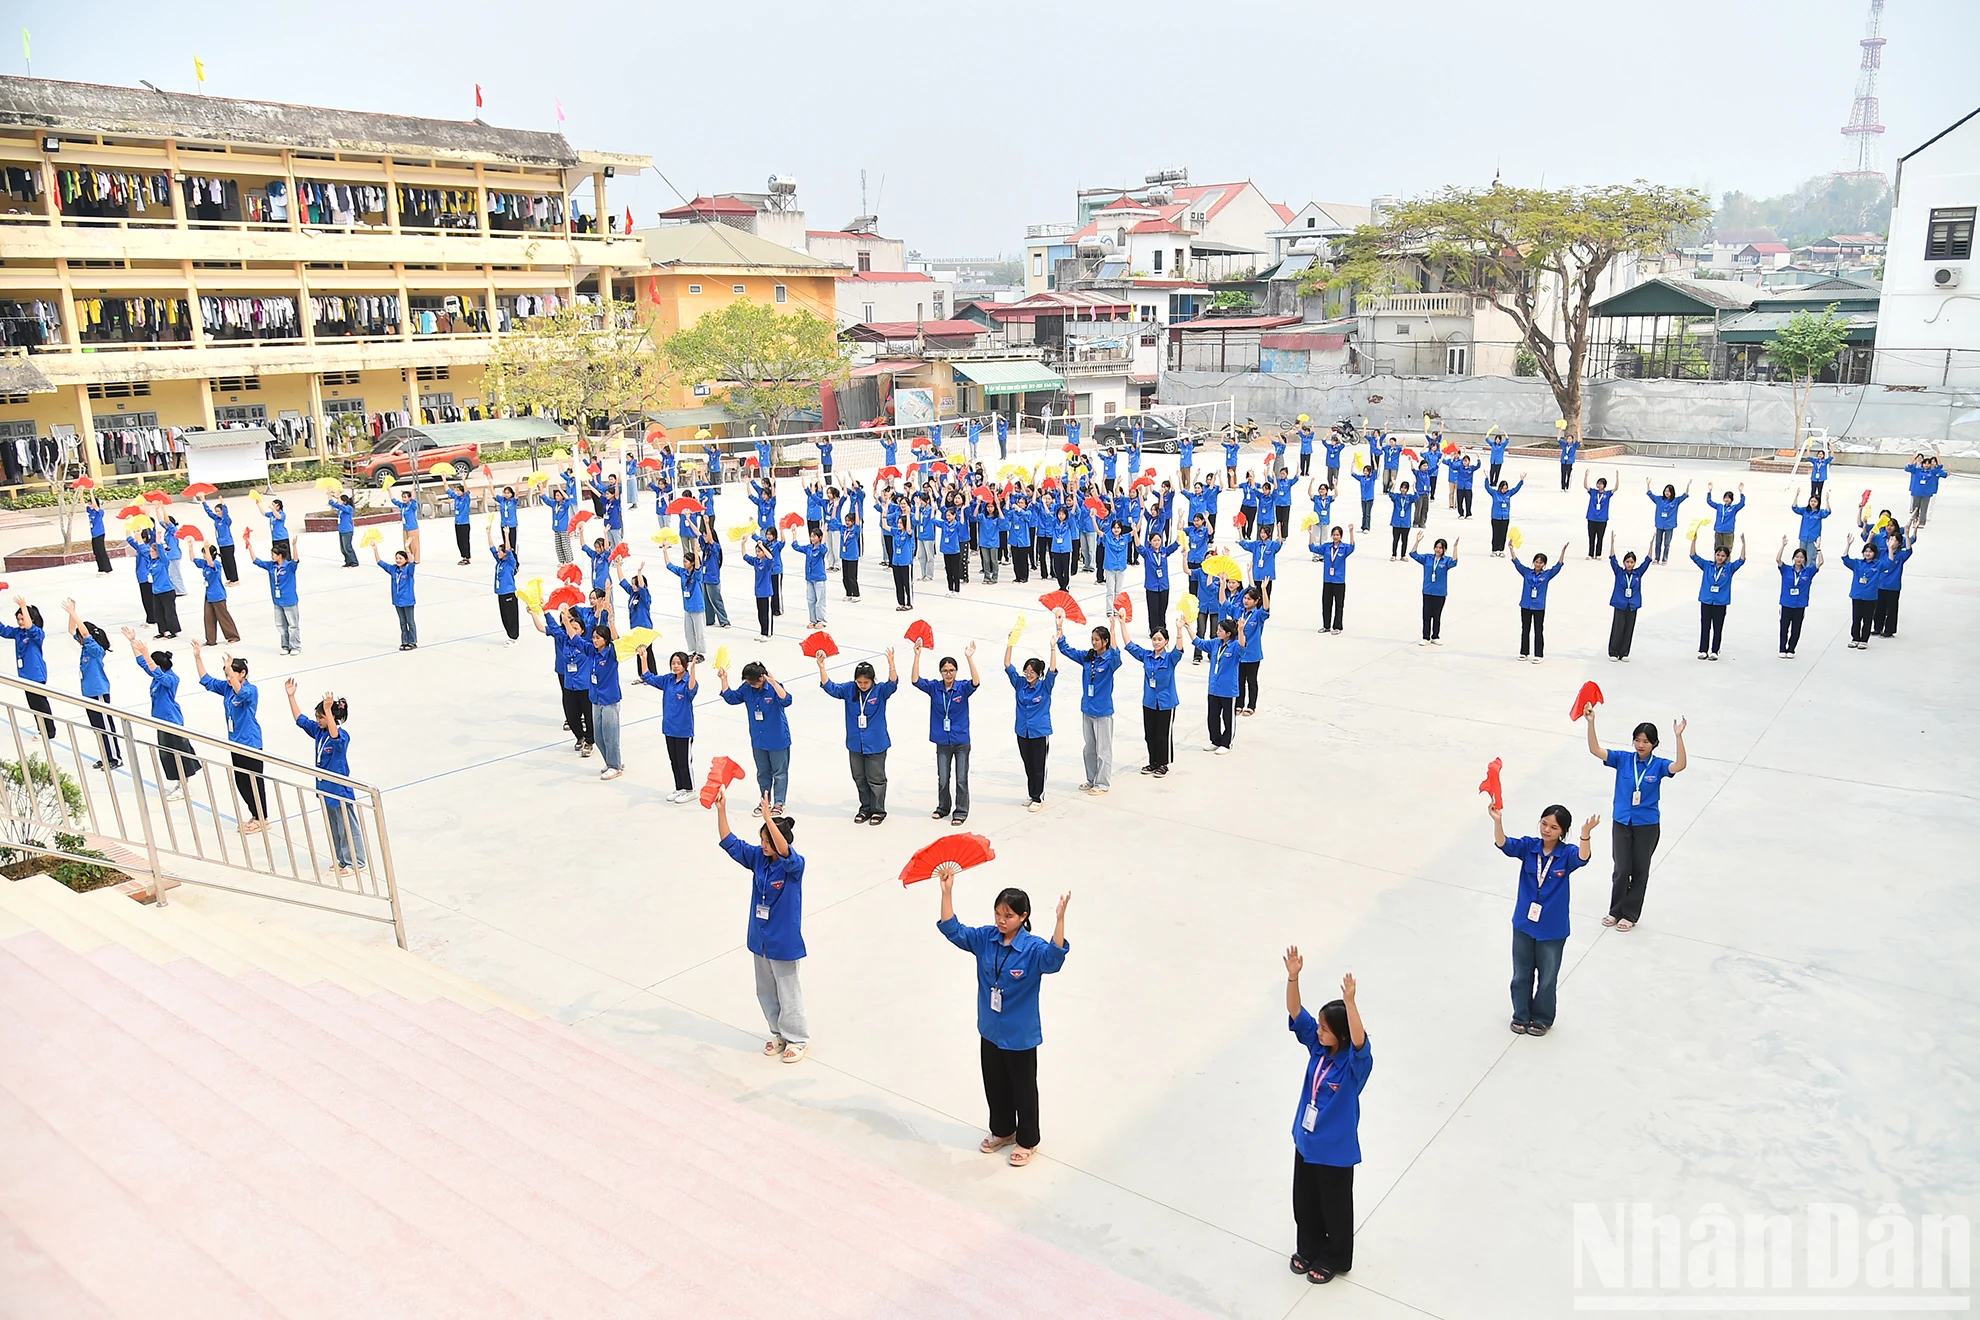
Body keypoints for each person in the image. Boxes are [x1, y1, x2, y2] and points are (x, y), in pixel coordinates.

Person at [938, 879, 1071, 1169]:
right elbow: (954, 931)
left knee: (1023, 1088)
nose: (1001, 920)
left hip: (1019, 1033)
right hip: (990, 1028)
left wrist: (1059, 921)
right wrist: (947, 893)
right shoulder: (986, 938)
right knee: (994, 1083)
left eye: (1009, 916)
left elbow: (1054, 959)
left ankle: (1027, 1140)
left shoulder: (1033, 949)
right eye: (998, 913)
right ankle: (1003, 1130)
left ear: (1024, 917)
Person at [1283, 951, 1370, 1285]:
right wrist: (1294, 977)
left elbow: (1360, 1041)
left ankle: (1335, 1256)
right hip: (1306, 1141)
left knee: (1334, 1206)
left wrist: (1350, 1004)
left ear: (1342, 1034)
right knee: (1304, 1200)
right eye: (1319, 1026)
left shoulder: (1353, 1065)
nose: (1318, 1031)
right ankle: (1308, 1247)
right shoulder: (1319, 1049)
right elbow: (1295, 1012)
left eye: (1325, 1028)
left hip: (1334, 1150)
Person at [715, 789, 809, 1064]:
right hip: (760, 939)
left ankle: (798, 1039)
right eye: (762, 840)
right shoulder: (758, 858)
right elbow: (730, 843)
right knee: (766, 990)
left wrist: (769, 818)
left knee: (788, 991)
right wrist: (721, 810)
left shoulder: (794, 866)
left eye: (767, 841)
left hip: (784, 941)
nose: (763, 845)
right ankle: (778, 1033)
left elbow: (784, 851)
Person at [1489, 801, 1596, 1034]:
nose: (1547, 830)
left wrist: (1585, 836)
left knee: (1547, 978)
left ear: (1563, 832)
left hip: (1552, 928)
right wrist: (1498, 822)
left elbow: (1583, 858)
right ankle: (1521, 1014)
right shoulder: (1529, 847)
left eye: (1554, 827)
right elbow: (1504, 844)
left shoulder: (1566, 855)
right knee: (1521, 973)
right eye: (1544, 823)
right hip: (1524, 923)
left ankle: (1542, 1018)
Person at [1586, 710, 1685, 930]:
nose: (1641, 744)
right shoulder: (1622, 759)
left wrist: (1678, 737)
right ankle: (1615, 910)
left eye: (1646, 741)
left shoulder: (1658, 765)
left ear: (1654, 744)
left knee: (1640, 870)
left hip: (1647, 825)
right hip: (1622, 821)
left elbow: (1679, 766)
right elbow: (1595, 749)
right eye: (1637, 740)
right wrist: (1591, 722)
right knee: (1621, 868)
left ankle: (1630, 914)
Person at [286, 680, 364, 876]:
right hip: (325, 788)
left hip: (339, 789)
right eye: (318, 717)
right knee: (334, 827)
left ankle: (356, 861)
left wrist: (328, 711)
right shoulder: (319, 732)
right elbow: (300, 719)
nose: (318, 720)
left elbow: (335, 735)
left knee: (347, 826)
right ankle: (341, 860)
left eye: (321, 717)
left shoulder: (341, 736)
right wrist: (291, 696)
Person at [191, 642, 267, 833]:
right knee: (241, 782)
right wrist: (197, 657)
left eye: (231, 674)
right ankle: (255, 814)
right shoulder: (226, 688)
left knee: (253, 781)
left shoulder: (250, 690)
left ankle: (262, 818)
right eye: (226, 674)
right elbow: (206, 681)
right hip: (235, 742)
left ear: (242, 674)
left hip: (250, 742)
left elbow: (240, 691)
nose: (228, 677)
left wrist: (230, 671)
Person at [817, 649, 898, 825]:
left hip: (876, 743)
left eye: (866, 682)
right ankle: (865, 807)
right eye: (859, 682)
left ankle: (878, 810)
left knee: (875, 778)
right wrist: (822, 667)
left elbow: (893, 683)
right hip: (855, 743)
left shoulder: (880, 691)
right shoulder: (849, 689)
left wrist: (891, 664)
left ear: (872, 680)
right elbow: (830, 688)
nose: (862, 685)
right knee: (859, 777)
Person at [123, 629, 201, 803]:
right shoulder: (157, 676)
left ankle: (185, 785)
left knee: (179, 754)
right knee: (167, 755)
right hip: (161, 722)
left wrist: (145, 653)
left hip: (171, 721)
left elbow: (154, 670)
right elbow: (142, 662)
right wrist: (133, 642)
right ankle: (179, 783)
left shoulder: (171, 679)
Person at [912, 639, 978, 825]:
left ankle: (961, 811)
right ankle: (943, 807)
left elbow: (976, 682)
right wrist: (917, 655)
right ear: (941, 672)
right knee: (943, 778)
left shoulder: (963, 687)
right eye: (945, 670)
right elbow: (915, 680)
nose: (948, 674)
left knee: (961, 779)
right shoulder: (935, 687)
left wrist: (969, 658)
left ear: (956, 672)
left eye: (951, 670)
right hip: (942, 740)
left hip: (961, 740)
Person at [1056, 610, 1121, 796]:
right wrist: (1059, 626)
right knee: (1089, 749)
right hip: (1087, 709)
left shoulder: (1110, 661)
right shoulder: (1088, 657)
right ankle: (1091, 779)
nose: (1093, 642)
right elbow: (1066, 649)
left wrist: (1114, 630)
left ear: (1105, 641)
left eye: (1097, 640)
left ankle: (1102, 783)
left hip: (1103, 711)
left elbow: (1117, 655)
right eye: (1092, 639)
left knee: (1103, 750)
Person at [720, 660, 792, 812]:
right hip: (758, 739)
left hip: (777, 738)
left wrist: (773, 682)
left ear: (762, 677)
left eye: (754, 681)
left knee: (779, 773)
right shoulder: (747, 688)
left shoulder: (774, 687)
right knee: (763, 772)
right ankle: (764, 801)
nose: (751, 684)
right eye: (748, 681)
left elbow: (787, 701)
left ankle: (779, 803)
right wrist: (724, 680)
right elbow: (732, 698)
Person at [1004, 638, 1058, 812]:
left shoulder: (1045, 687)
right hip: (1022, 731)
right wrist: (1010, 643)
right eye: (1026, 671)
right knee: (1028, 763)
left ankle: (1038, 796)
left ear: (1038, 673)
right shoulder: (1019, 684)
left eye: (1032, 672)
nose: (1028, 674)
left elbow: (1052, 670)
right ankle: (1031, 793)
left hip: (1039, 732)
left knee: (1038, 765)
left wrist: (1052, 648)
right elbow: (1007, 665)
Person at [1123, 620, 1183, 776]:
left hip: (1166, 702)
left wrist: (1179, 629)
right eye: (1154, 639)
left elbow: (1179, 649)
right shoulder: (1146, 656)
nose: (1156, 642)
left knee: (1163, 735)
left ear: (1166, 641)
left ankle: (1163, 763)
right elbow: (1130, 645)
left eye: (1160, 639)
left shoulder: (1170, 658)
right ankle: (1153, 761)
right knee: (1150, 734)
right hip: (1149, 701)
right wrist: (1122, 623)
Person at [1687, 532, 1745, 661]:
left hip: (1720, 602)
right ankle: (1703, 650)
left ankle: (1714, 651)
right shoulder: (1707, 566)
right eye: (1718, 555)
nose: (1719, 557)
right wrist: (1694, 541)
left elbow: (1741, 560)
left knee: (1718, 627)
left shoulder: (1729, 568)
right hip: (1707, 600)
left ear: (1726, 557)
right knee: (1705, 626)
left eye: (1723, 556)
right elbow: (1693, 556)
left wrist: (1743, 544)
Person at [2, 596, 53, 738]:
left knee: (40, 703)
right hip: (24, 675)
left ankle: (49, 730)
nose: (20, 622)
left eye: (22, 618)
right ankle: (41, 728)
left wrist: (23, 606)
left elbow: (31, 627)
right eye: (18, 619)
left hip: (36, 674)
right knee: (33, 704)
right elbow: (3, 630)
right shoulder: (18, 633)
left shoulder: (37, 633)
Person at [1191, 615, 1242, 753]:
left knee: (1228, 718)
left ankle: (1226, 743)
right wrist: (1187, 627)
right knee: (1212, 716)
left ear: (1228, 633)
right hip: (1214, 687)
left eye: (1220, 630)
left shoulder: (1235, 646)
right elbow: (1199, 643)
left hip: (1228, 689)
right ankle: (1215, 740)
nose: (1217, 632)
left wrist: (1241, 630)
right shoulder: (1215, 643)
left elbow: (1243, 646)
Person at [245, 533, 301, 655]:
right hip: (277, 600)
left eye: (273, 554)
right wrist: (250, 547)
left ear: (280, 556)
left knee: (292, 624)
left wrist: (294, 546)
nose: (271, 556)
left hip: (289, 599)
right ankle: (285, 646)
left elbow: (296, 560)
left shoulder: (289, 566)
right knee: (281, 625)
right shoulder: (271, 566)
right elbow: (256, 561)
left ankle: (295, 646)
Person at [1510, 544, 1567, 663]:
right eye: (1536, 562)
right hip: (1526, 605)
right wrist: (1511, 549)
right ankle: (1524, 652)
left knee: (1538, 630)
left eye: (1540, 563)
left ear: (1544, 564)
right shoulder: (1527, 572)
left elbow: (1558, 566)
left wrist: (1562, 552)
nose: (1538, 565)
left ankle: (1539, 654)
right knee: (1525, 629)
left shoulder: (1547, 575)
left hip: (1538, 606)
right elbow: (1517, 563)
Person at [1605, 534, 1651, 662]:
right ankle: (1613, 652)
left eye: (1632, 562)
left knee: (1629, 628)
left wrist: (1651, 544)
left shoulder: (1638, 573)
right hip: (1620, 603)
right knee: (1618, 628)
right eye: (1627, 562)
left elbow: (1648, 561)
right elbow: (1612, 559)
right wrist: (1612, 543)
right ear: (1624, 562)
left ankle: (1624, 652)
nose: (1629, 564)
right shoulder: (1619, 572)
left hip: (1632, 604)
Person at [1774, 537, 1822, 657]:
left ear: (1804, 559)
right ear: (1793, 558)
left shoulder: (1808, 572)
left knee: (1796, 628)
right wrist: (1783, 546)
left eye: (1801, 557)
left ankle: (1791, 649)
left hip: (1800, 603)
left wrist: (1818, 549)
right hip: (1786, 602)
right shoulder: (1786, 570)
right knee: (1784, 627)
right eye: (1797, 557)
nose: (1799, 559)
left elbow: (1820, 563)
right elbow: (1778, 559)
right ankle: (1782, 648)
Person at [659, 543, 708, 662]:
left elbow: (698, 566)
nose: (684, 563)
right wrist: (665, 551)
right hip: (687, 607)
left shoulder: (697, 574)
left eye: (686, 561)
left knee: (699, 631)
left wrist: (696, 552)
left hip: (697, 607)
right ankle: (692, 650)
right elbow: (669, 566)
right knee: (689, 631)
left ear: (691, 563)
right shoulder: (682, 572)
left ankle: (700, 652)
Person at [1410, 533, 1458, 645]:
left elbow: (1454, 562)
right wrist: (1417, 542)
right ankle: (1425, 637)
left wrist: (1455, 547)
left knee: (1437, 615)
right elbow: (1413, 554)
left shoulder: (1446, 561)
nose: (1438, 549)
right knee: (1426, 615)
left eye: (1440, 548)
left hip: (1440, 592)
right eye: (1436, 547)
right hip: (1427, 590)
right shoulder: (1427, 558)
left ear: (1444, 549)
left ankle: (1435, 636)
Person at [372, 543, 420, 651]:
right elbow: (380, 562)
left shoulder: (409, 570)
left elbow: (412, 562)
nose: (398, 560)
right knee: (402, 622)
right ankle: (404, 641)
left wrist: (407, 547)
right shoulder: (394, 569)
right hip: (397, 601)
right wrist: (375, 549)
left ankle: (412, 641)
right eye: (397, 558)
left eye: (400, 558)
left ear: (406, 560)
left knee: (410, 622)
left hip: (408, 600)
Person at [192, 543, 240, 645]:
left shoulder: (216, 564)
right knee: (208, 617)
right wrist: (190, 545)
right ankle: (211, 640)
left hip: (218, 595)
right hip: (209, 594)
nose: (204, 556)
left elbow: (211, 563)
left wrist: (206, 547)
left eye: (205, 553)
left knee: (223, 616)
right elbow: (193, 559)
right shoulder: (204, 563)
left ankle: (233, 636)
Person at [1840, 537, 1883, 649]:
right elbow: (1845, 558)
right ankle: (1855, 638)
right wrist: (1848, 545)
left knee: (1867, 619)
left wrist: (1890, 548)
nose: (1867, 553)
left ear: (1875, 553)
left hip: (1870, 596)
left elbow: (1890, 562)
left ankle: (1864, 639)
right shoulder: (1857, 563)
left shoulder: (1878, 565)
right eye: (1866, 551)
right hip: (1857, 594)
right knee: (1856, 618)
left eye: (1870, 551)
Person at [1236, 585, 1270, 714]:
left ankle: (1251, 705)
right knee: (1239, 680)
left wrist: (1264, 590)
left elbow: (1266, 608)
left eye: (1249, 599)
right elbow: (1225, 604)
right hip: (1239, 652)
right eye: (1245, 598)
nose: (1246, 601)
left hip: (1252, 653)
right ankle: (1239, 704)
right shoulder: (1240, 612)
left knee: (1251, 680)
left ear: (1256, 601)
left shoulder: (1257, 615)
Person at [1317, 525, 1354, 634]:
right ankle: (1326, 625)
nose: (1335, 537)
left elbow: (1352, 547)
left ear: (1341, 536)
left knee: (1339, 604)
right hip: (1328, 579)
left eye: (1337, 535)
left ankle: (1337, 626)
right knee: (1326, 603)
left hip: (1339, 580)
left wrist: (1351, 532)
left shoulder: (1344, 548)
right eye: (1333, 535)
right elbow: (1312, 548)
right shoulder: (1327, 547)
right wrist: (1310, 534)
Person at [1646, 480, 1689, 564]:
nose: (1667, 493)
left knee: (1667, 543)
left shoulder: (1676, 501)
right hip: (1659, 524)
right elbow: (1650, 494)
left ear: (1672, 492)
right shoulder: (1659, 499)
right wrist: (1648, 484)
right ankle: (1657, 558)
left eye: (1669, 491)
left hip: (1669, 525)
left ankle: (1665, 558)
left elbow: (1685, 495)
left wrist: (1687, 485)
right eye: (1666, 491)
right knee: (1658, 542)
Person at [199, 495, 239, 582]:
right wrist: (203, 501)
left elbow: (226, 514)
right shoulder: (216, 519)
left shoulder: (226, 520)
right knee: (224, 562)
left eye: (219, 511)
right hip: (221, 544)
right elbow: (209, 512)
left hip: (228, 544)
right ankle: (229, 578)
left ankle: (235, 579)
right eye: (216, 511)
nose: (218, 513)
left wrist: (223, 503)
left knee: (230, 562)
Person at [1790, 488, 1831, 561]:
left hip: (1813, 539)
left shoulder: (1820, 513)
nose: (1813, 503)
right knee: (1802, 557)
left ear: (1818, 503)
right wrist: (1796, 496)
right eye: (1811, 501)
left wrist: (1827, 501)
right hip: (1803, 537)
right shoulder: (1805, 510)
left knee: (1810, 558)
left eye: (1815, 501)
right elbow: (1794, 508)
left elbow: (1827, 512)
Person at [1582, 472, 1616, 558]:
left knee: (1600, 537)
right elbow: (1586, 486)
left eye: (1601, 484)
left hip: (1602, 519)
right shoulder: (1593, 492)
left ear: (1604, 485)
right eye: (1598, 483)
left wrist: (1617, 478)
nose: (1599, 485)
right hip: (1592, 517)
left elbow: (1616, 488)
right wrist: (1586, 476)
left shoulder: (1607, 494)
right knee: (1591, 537)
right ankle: (1590, 554)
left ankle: (1598, 554)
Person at [1904, 452, 1943, 525]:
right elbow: (1909, 467)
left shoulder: (1932, 472)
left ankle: (1921, 523)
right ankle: (1914, 521)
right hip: (1916, 492)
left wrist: (1938, 457)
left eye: (1928, 463)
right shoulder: (1917, 470)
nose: (1926, 465)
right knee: (1915, 508)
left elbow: (1940, 467)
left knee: (1924, 509)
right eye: (1925, 463)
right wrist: (1913, 457)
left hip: (1926, 494)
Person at [1706, 483, 1746, 553]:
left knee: (1727, 550)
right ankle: (1717, 563)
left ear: (1731, 499)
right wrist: (1709, 491)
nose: (1726, 499)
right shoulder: (1719, 506)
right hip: (1718, 531)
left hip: (1728, 532)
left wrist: (1741, 492)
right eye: (1725, 497)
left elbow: (1742, 503)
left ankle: (1726, 563)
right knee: (1717, 550)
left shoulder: (1734, 508)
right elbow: (1709, 502)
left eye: (1728, 498)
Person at [1487, 476, 1522, 556]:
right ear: (1500, 488)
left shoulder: (1509, 494)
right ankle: (1494, 549)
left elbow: (1516, 489)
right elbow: (1487, 488)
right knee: (1496, 533)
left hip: (1505, 517)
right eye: (1503, 488)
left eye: (1506, 488)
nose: (1504, 490)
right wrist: (1486, 479)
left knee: (1503, 534)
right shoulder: (1495, 493)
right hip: (1496, 517)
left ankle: (1501, 549)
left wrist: (1521, 481)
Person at [444, 482, 474, 565]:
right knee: (459, 541)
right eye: (457, 491)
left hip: (464, 523)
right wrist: (444, 479)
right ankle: (463, 556)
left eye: (459, 491)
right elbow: (447, 490)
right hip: (457, 523)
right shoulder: (456, 498)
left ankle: (467, 557)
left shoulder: (466, 499)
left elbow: (467, 491)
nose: (457, 492)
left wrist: (464, 481)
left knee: (465, 541)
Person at [1385, 481, 1414, 560]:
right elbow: (1391, 495)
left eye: (1405, 488)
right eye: (1402, 487)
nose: (1403, 489)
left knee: (1404, 540)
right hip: (1396, 522)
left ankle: (1403, 555)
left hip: (1405, 522)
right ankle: (1394, 554)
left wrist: (1415, 488)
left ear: (1407, 489)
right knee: (1395, 539)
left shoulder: (1409, 497)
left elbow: (1417, 497)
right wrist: (1393, 486)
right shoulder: (1397, 496)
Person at [86, 493, 113, 574]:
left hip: (99, 533)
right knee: (96, 552)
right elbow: (82, 504)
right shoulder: (90, 511)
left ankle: (107, 569)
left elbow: (95, 504)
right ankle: (101, 568)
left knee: (101, 551)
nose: (89, 504)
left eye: (90, 503)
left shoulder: (100, 512)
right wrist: (81, 491)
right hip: (93, 534)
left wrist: (90, 492)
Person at [331, 492, 359, 567]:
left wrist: (340, 503)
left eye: (339, 500)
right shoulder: (340, 508)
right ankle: (348, 561)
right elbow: (332, 503)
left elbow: (343, 507)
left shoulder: (349, 508)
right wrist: (329, 494)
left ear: (344, 501)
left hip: (347, 530)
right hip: (341, 530)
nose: (338, 501)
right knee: (343, 549)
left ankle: (354, 562)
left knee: (347, 547)